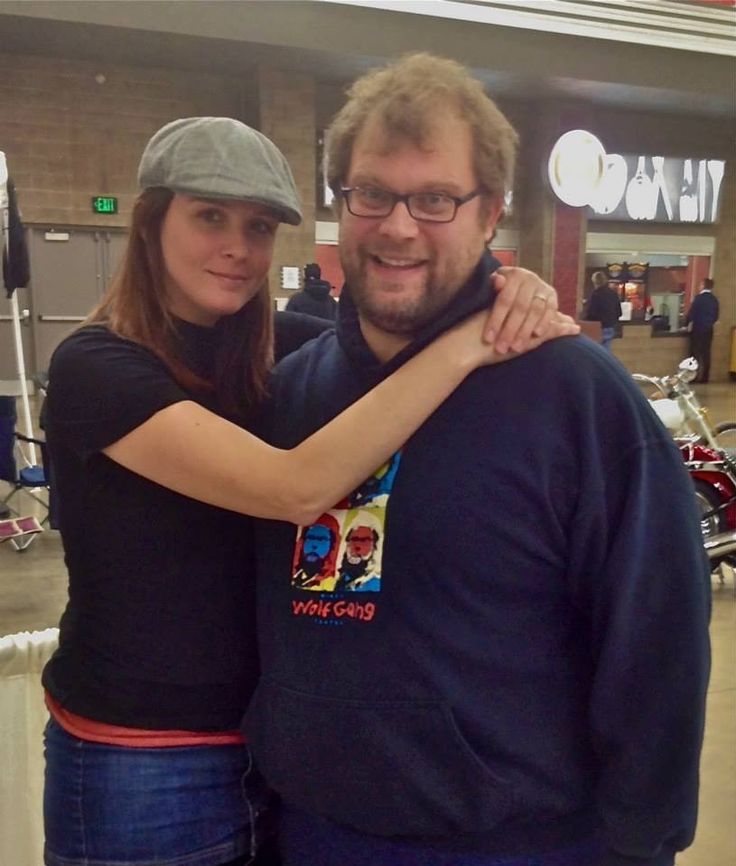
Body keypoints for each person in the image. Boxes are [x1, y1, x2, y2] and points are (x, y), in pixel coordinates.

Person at [40, 115, 576, 866]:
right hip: (142, 765)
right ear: (150, 221)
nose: (237, 246)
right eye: (209, 217)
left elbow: (393, 334)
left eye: (258, 226)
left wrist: (506, 287)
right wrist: (474, 339)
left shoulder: (277, 350)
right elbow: (296, 488)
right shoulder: (97, 369)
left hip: (274, 758)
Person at [248, 54, 712, 866]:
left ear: (490, 212)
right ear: (339, 205)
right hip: (313, 830)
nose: (398, 226)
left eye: (435, 199)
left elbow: (658, 642)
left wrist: (643, 841)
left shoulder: (579, 399)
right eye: (372, 193)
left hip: (522, 842)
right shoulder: (289, 395)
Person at [686, 277, 719, 383]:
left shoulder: (698, 298)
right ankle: (705, 377)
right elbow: (716, 316)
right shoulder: (714, 300)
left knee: (695, 354)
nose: (699, 286)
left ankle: (694, 376)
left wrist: (686, 324)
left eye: (700, 284)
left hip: (697, 329)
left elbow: (692, 313)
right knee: (706, 353)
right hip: (709, 329)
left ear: (704, 285)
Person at [583, 270, 622, 351]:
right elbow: (619, 312)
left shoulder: (595, 294)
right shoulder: (613, 294)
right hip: (610, 327)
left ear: (594, 282)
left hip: (597, 328)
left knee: (596, 352)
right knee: (606, 352)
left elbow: (591, 313)